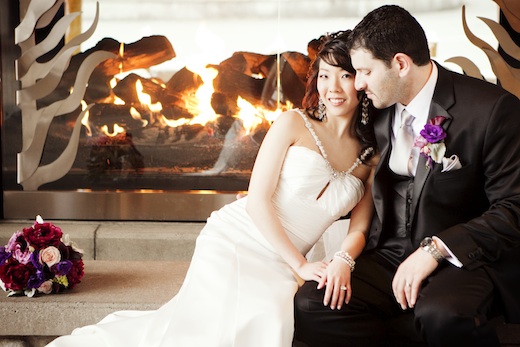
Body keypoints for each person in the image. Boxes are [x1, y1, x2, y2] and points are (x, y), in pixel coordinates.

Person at [46, 30, 378, 347]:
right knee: (263, 320)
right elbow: (257, 201)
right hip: (239, 240)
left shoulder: (369, 154)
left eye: (344, 76)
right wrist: (301, 266)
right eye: (324, 75)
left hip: (286, 264)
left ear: (361, 80)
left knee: (270, 318)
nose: (333, 86)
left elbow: (361, 224)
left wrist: (343, 260)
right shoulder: (293, 123)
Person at [293, 5, 520, 347]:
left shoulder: (490, 110)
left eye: (365, 71)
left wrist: (435, 250)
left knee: (441, 315)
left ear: (400, 64)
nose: (358, 83)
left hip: (459, 259)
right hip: (388, 251)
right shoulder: (375, 109)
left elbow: (513, 207)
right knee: (314, 302)